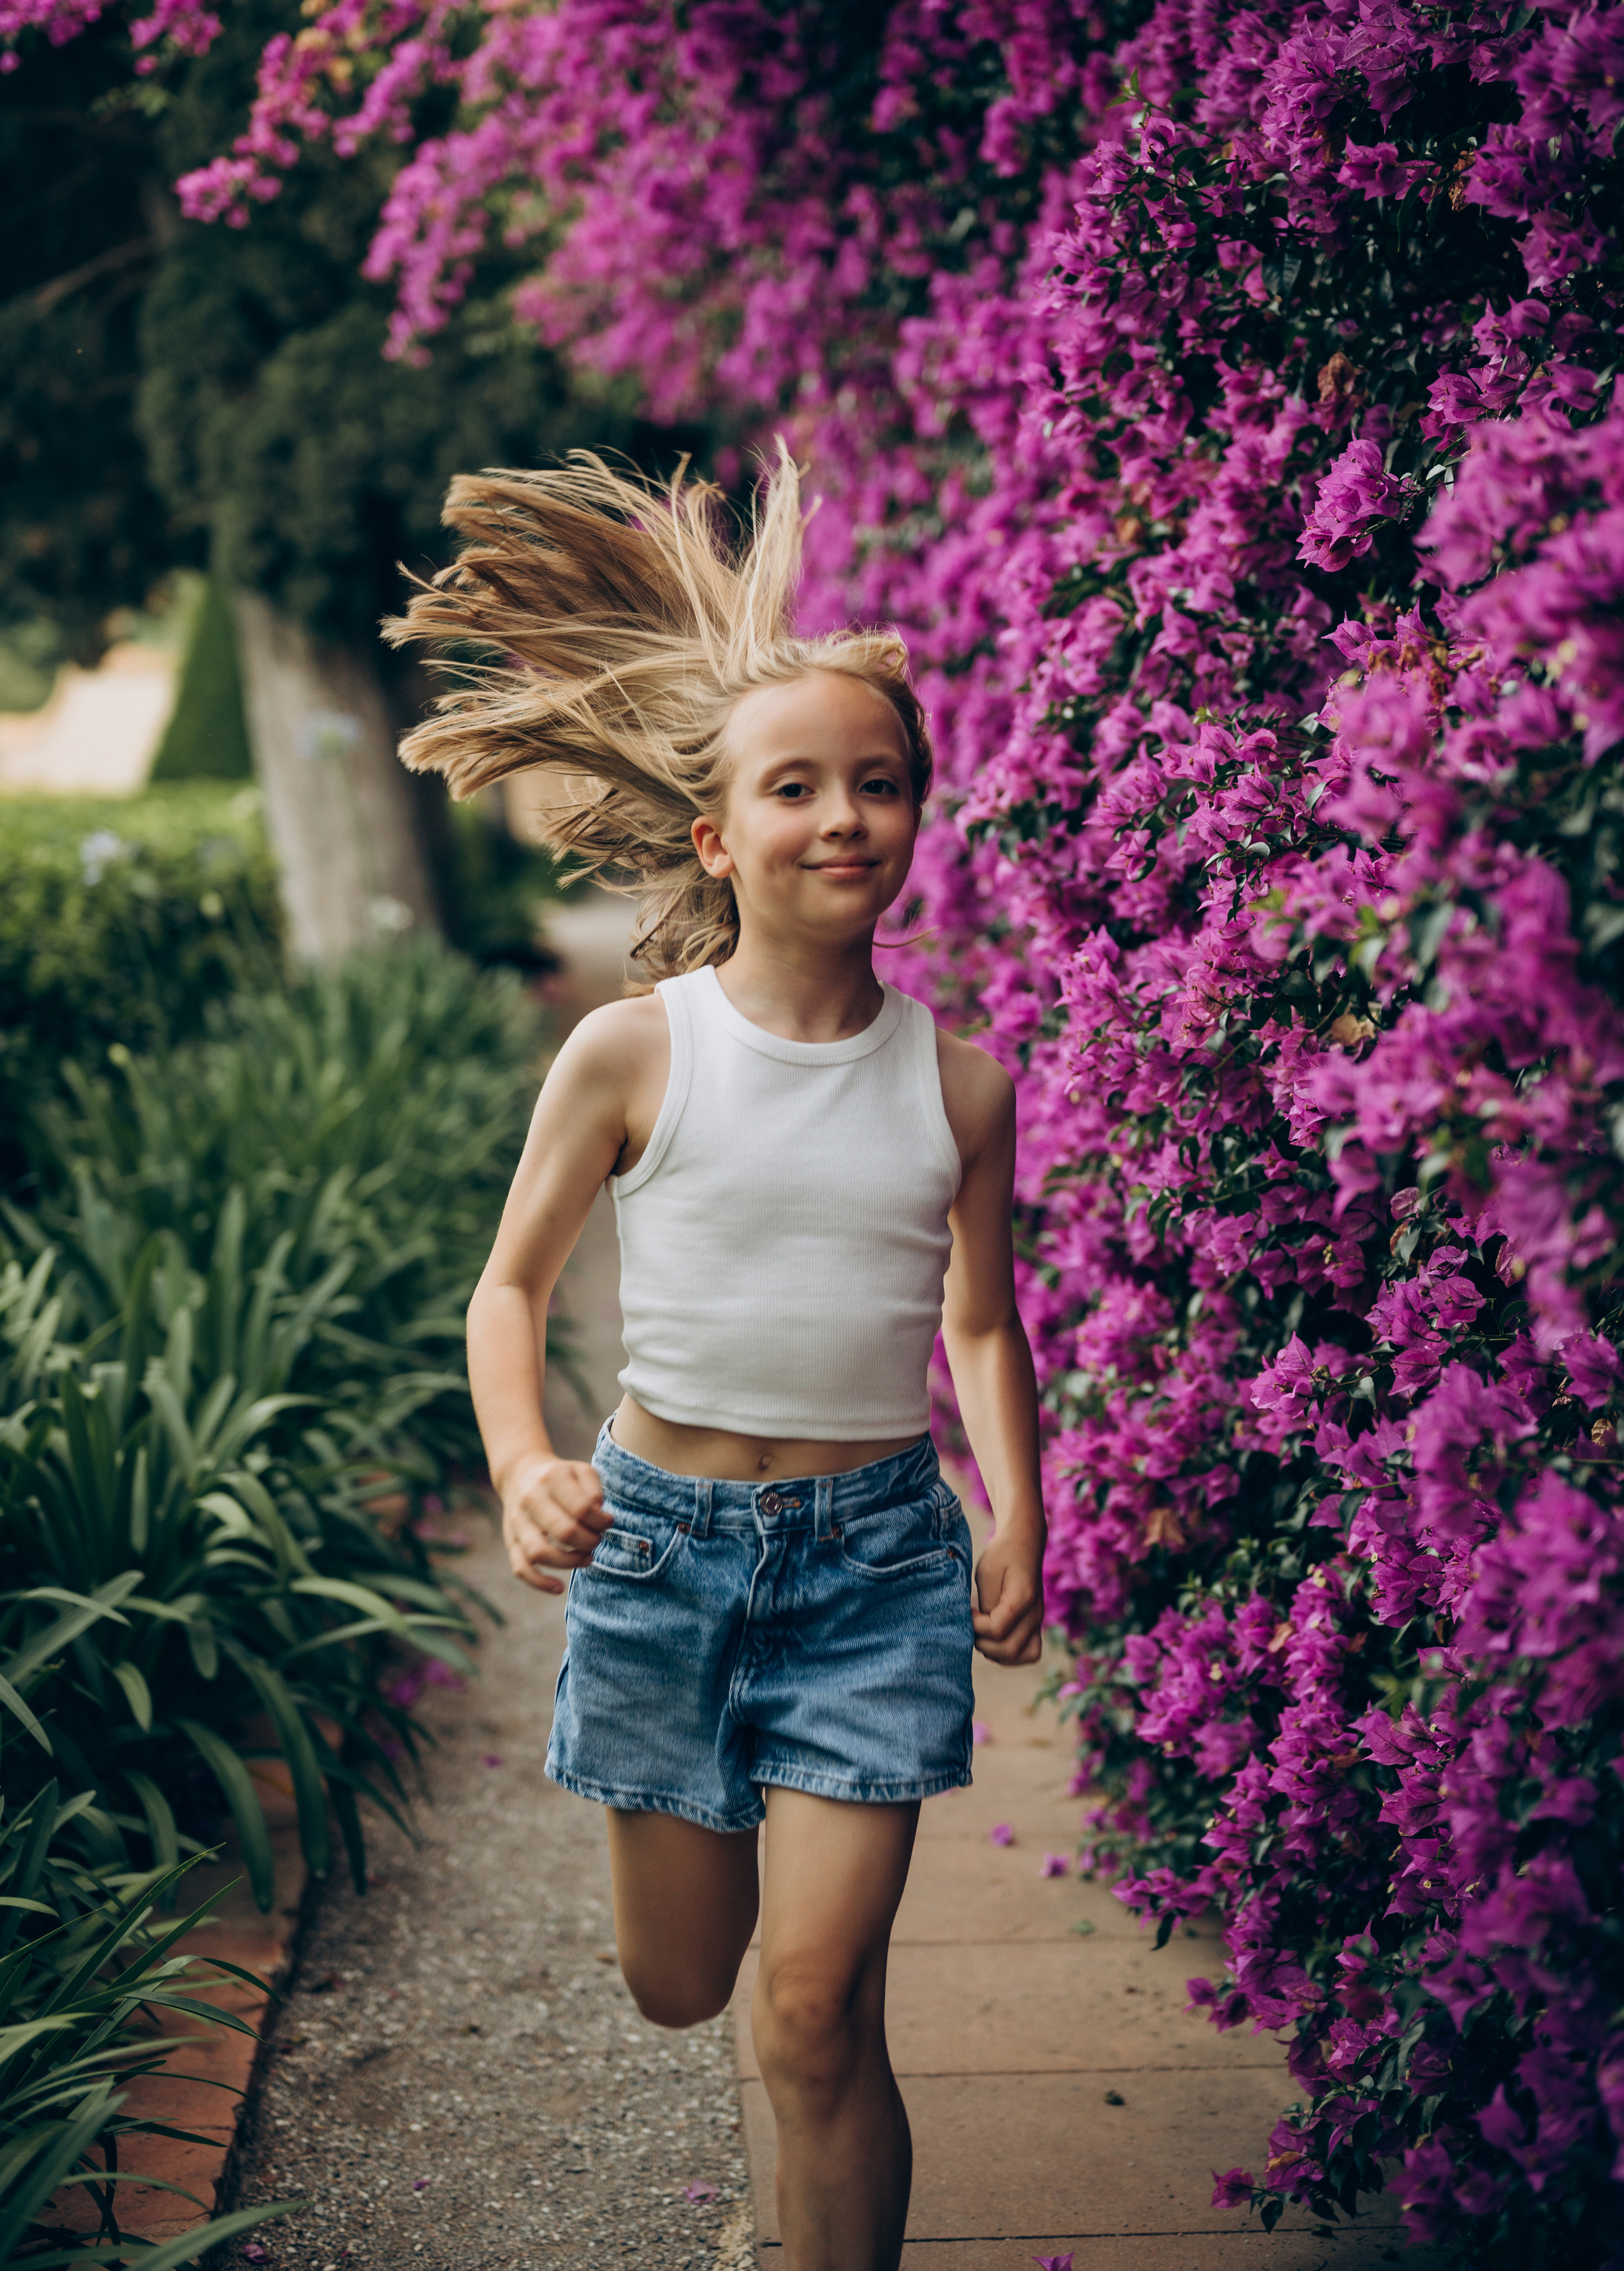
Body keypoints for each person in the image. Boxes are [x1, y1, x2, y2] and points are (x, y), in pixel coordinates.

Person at [387, 450, 1044, 2271]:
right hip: (664, 1560)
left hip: (877, 1573)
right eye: (797, 787)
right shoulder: (632, 1053)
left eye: (881, 783)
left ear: (919, 815)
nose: (846, 817)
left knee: (815, 2014)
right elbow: (509, 1293)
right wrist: (526, 1460)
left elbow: (979, 1321)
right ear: (714, 831)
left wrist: (1017, 1506)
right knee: (684, 1991)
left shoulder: (961, 1083)